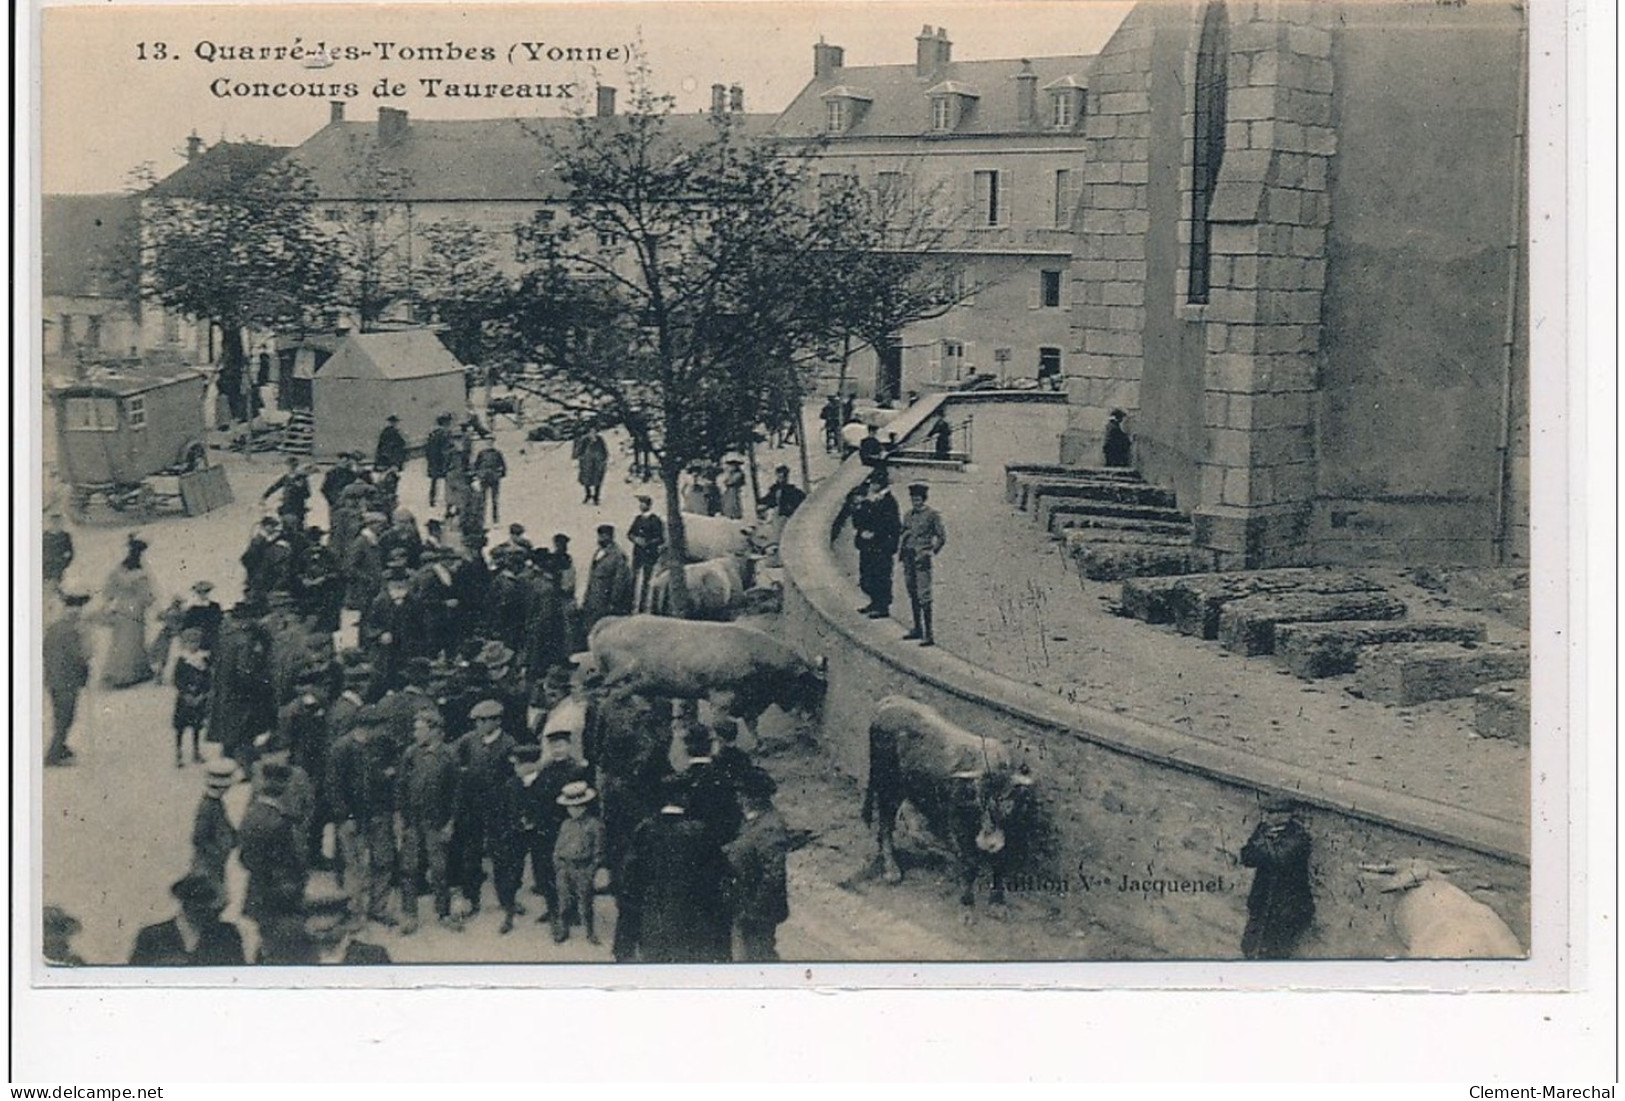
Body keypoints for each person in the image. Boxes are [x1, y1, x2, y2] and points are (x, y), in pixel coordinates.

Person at [618, 776, 732, 963]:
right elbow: (717, 879)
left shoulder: (645, 830)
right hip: (692, 923)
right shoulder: (699, 832)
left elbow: (630, 881)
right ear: (686, 798)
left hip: (653, 921)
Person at [326, 706, 399, 928]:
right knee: (354, 867)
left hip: (378, 813)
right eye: (381, 726)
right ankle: (354, 912)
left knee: (383, 861)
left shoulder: (382, 744)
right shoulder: (341, 748)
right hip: (352, 818)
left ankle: (378, 907)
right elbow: (333, 787)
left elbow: (393, 769)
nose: (385, 730)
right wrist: (345, 815)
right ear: (367, 727)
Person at [396, 710, 461, 934]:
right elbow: (401, 787)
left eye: (420, 729)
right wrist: (402, 821)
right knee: (409, 868)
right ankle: (409, 915)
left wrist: (450, 822)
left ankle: (443, 912)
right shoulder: (410, 754)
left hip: (437, 821)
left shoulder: (449, 756)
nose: (415, 733)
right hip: (413, 822)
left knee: (439, 869)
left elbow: (455, 793)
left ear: (434, 731)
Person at [724, 766, 791, 962]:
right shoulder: (754, 821)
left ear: (754, 797)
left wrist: (754, 910)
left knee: (759, 959)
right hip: (746, 905)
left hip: (757, 913)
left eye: (741, 793)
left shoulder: (769, 827)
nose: (738, 798)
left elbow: (774, 875)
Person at [1239, 798, 1315, 960]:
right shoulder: (1263, 830)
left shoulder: (1299, 837)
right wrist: (1263, 840)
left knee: (1275, 954)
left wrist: (1263, 841)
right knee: (1249, 948)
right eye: (1266, 812)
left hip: (1285, 908)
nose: (1267, 816)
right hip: (1262, 903)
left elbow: (1278, 858)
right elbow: (1247, 857)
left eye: (1272, 813)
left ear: (1286, 815)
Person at [238, 762, 309, 928]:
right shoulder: (280, 822)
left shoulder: (250, 814)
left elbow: (243, 855)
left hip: (255, 889)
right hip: (276, 893)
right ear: (284, 788)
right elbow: (291, 860)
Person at [128, 872, 246, 967]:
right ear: (184, 902)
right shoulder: (152, 936)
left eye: (206, 900)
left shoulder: (227, 935)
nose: (201, 907)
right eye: (195, 899)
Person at [551, 780, 607, 945]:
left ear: (585, 806)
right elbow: (558, 846)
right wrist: (558, 864)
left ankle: (590, 931)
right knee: (564, 901)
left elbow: (599, 851)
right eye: (570, 807)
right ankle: (564, 929)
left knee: (585, 902)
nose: (573, 810)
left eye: (577, 806)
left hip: (583, 867)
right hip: (565, 866)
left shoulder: (595, 825)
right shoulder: (565, 824)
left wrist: (592, 869)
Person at [99, 534, 157, 688]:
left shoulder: (119, 569)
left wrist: (110, 601)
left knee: (120, 641)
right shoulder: (141, 573)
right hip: (136, 609)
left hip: (122, 608)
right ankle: (130, 674)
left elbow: (108, 590)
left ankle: (117, 672)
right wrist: (150, 601)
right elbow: (147, 596)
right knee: (134, 641)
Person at [43, 592, 92, 767]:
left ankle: (60, 747)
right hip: (67, 680)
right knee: (66, 717)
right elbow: (78, 656)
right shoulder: (72, 631)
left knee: (60, 716)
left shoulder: (53, 628)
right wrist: (85, 668)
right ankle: (54, 754)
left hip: (53, 679)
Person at [898, 483, 947, 647]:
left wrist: (931, 552)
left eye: (918, 499)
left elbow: (942, 537)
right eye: (913, 499)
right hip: (909, 558)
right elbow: (904, 531)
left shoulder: (932, 515)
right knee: (912, 592)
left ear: (924, 499)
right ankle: (917, 628)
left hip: (922, 559)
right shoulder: (907, 515)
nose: (915, 502)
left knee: (924, 595)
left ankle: (929, 634)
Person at [853, 473, 901, 619]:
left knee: (881, 576)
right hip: (868, 545)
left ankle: (882, 606)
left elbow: (891, 525)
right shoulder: (870, 500)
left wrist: (874, 533)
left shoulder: (888, 501)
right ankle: (874, 602)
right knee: (867, 575)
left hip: (881, 545)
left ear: (880, 484)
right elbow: (858, 522)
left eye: (874, 483)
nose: (871, 486)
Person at [581, 525, 633, 636]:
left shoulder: (617, 555)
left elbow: (620, 581)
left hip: (605, 603)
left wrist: (613, 602)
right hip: (593, 602)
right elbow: (592, 578)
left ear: (610, 537)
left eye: (604, 536)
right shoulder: (598, 553)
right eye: (599, 536)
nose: (600, 539)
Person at [172, 627, 212, 766]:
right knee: (180, 728)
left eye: (196, 642)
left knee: (196, 727)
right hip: (184, 699)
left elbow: (208, 679)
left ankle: (196, 751)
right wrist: (185, 693)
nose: (193, 645)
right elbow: (176, 679)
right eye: (190, 642)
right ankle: (179, 753)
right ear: (184, 643)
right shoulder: (182, 660)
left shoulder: (203, 659)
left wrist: (202, 694)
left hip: (199, 697)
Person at [627, 495, 665, 613]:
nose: (641, 506)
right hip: (638, 553)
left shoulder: (655, 520)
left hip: (649, 553)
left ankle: (643, 606)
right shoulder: (638, 518)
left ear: (648, 505)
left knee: (646, 580)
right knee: (634, 577)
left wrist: (648, 542)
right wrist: (635, 539)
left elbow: (660, 538)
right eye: (640, 504)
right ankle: (631, 603)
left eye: (643, 503)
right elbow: (629, 533)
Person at [758, 465, 806, 545]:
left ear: (787, 477)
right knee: (773, 529)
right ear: (777, 476)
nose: (782, 479)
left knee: (782, 531)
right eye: (779, 476)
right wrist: (763, 504)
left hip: (786, 515)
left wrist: (791, 507)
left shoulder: (791, 490)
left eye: (784, 476)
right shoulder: (775, 489)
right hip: (777, 514)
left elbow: (800, 499)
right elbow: (770, 499)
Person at [473, 437, 509, 524]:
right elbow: (476, 465)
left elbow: (503, 465)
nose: (489, 443)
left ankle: (495, 520)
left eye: (491, 442)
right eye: (487, 442)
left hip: (494, 478)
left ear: (493, 443)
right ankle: (482, 520)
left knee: (495, 500)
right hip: (484, 478)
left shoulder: (497, 453)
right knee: (482, 500)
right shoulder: (482, 453)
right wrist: (478, 475)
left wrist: (500, 474)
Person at [424, 412, 456, 509]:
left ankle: (432, 499)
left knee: (434, 481)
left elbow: (427, 448)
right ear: (446, 422)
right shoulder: (446, 433)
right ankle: (449, 501)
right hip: (443, 461)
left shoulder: (433, 433)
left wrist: (430, 459)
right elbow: (448, 448)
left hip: (433, 460)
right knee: (449, 480)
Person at [574, 431, 609, 506]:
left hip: (598, 463)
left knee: (598, 479)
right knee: (586, 479)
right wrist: (581, 458)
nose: (592, 433)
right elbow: (578, 452)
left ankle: (596, 496)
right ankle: (588, 494)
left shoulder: (600, 440)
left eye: (594, 432)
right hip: (587, 463)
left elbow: (605, 450)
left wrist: (604, 459)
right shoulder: (584, 440)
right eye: (590, 432)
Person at [43, 510, 73, 591]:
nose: (56, 525)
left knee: (56, 584)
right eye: (54, 522)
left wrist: (64, 561)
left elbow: (69, 552)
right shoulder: (45, 536)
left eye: (58, 523)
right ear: (50, 523)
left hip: (60, 564)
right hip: (47, 565)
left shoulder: (65, 536)